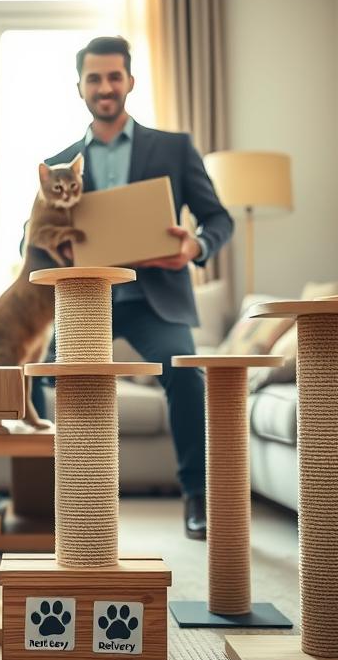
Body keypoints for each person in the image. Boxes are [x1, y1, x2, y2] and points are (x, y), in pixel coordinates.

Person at [28, 35, 234, 540]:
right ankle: (36, 499)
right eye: (94, 78)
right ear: (79, 87)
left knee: (185, 377)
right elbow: (29, 240)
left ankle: (197, 498)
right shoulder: (60, 163)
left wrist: (194, 248)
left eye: (114, 76)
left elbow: (218, 219)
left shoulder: (173, 148)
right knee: (32, 376)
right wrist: (58, 249)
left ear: (130, 82)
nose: (105, 86)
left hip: (154, 299)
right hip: (85, 303)